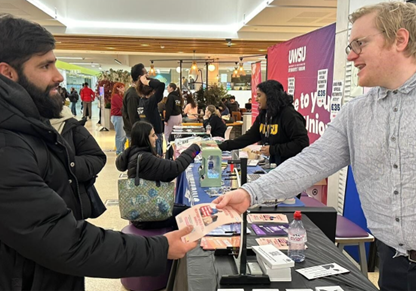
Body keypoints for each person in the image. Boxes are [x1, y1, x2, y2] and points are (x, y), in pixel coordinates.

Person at [214, 3, 416, 290]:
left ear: (400, 39)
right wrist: (250, 192)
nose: (350, 55)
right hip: (393, 262)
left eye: (360, 43)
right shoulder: (356, 113)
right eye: (350, 45)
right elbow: (312, 160)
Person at [0, 15, 197, 290]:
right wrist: (158, 248)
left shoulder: (34, 125)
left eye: (55, 64)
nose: (58, 76)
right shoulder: (9, 145)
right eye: (45, 66)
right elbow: (62, 239)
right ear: (7, 73)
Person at [116, 121, 200, 228]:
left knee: (183, 208)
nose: (156, 138)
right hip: (147, 217)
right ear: (144, 138)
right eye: (152, 135)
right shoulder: (145, 159)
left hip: (142, 212)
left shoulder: (134, 153)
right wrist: (194, 148)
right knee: (191, 214)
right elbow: (175, 168)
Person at [219, 80, 309, 165]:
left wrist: (273, 150)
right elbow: (248, 138)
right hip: (274, 165)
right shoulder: (264, 115)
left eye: (259, 95)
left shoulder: (289, 115)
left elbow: (302, 143)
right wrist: (220, 147)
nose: (256, 99)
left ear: (270, 96)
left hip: (290, 167)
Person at [50, 106, 107, 219]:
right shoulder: (19, 126)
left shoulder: (70, 125)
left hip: (72, 205)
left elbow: (97, 157)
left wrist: (69, 165)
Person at [136, 67, 165, 156]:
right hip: (154, 135)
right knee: (156, 160)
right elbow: (161, 85)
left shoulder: (141, 101)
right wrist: (146, 82)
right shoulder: (150, 102)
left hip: (146, 135)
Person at [122, 63, 142, 142]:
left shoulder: (136, 92)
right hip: (135, 133)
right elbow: (133, 117)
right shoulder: (132, 94)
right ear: (140, 77)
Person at [110, 82, 126, 155]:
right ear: (118, 88)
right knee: (120, 135)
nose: (124, 88)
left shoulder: (121, 96)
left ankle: (120, 150)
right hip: (118, 116)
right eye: (122, 87)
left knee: (122, 134)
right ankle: (119, 151)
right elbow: (122, 106)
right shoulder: (116, 96)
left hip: (120, 116)